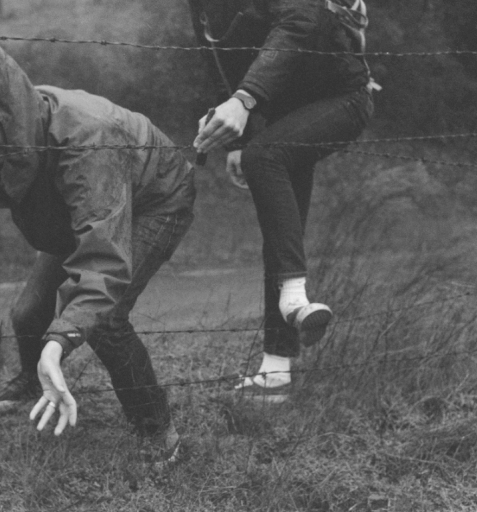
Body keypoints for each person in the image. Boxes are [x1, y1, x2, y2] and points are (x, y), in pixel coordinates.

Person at [0, 41, 195, 465]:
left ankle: (158, 431)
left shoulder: (88, 140)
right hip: (93, 207)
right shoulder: (22, 121)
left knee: (104, 319)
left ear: (5, 109)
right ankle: (34, 382)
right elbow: (74, 214)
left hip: (155, 199)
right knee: (29, 312)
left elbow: (103, 259)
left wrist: (60, 342)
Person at [189, 0, 376, 399]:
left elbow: (302, 20)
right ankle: (276, 372)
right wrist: (237, 135)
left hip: (343, 98)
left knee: (266, 156)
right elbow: (221, 60)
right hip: (285, 110)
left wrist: (245, 100)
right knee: (280, 226)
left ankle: (294, 299)